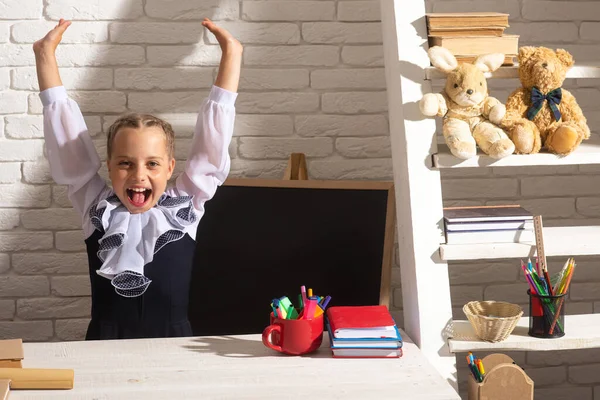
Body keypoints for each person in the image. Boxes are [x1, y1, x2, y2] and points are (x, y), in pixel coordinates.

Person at [33, 18, 242, 340]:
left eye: (153, 164)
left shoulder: (187, 207)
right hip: (104, 345)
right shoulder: (96, 206)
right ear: (109, 165)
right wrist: (45, 55)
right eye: (126, 163)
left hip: (174, 346)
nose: (139, 175)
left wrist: (232, 53)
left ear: (171, 168)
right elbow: (68, 148)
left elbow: (210, 149)